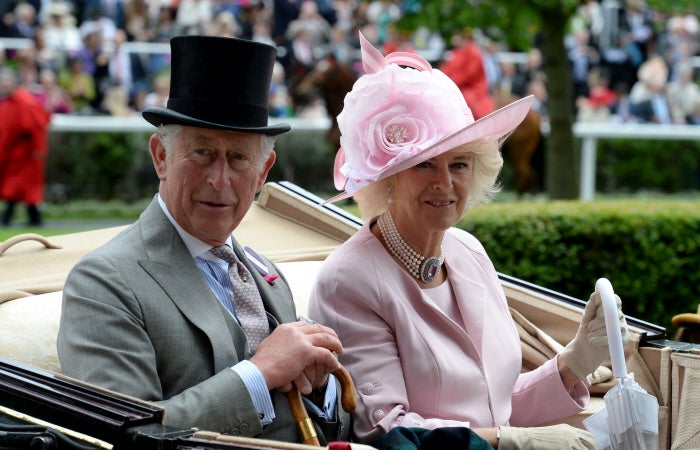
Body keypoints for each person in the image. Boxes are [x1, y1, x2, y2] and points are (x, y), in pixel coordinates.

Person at [308, 33, 629, 449]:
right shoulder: (347, 280)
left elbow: (496, 403)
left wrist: (576, 361)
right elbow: (389, 432)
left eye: (459, 164)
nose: (445, 182)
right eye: (423, 165)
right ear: (386, 179)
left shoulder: (467, 250)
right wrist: (512, 444)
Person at [57, 35, 350, 444]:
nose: (219, 180)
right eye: (202, 154)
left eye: (238, 158)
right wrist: (260, 374)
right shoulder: (104, 282)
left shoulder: (267, 274)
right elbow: (123, 437)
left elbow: (316, 421)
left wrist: (319, 384)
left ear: (264, 170)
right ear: (161, 157)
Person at [0, 66, 52, 227]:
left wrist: (38, 150)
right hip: (14, 153)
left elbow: (37, 126)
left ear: (14, 82)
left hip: (26, 154)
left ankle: (9, 218)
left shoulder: (25, 101)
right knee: (17, 189)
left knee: (19, 188)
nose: (3, 84)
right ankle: (33, 219)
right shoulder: (9, 102)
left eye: (6, 81)